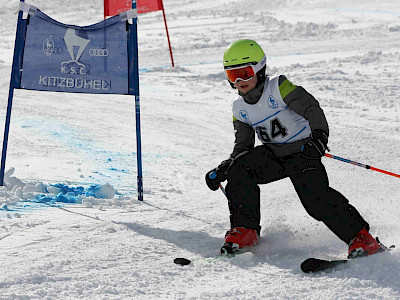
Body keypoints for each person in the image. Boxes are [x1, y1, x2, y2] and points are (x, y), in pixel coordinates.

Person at [206, 39, 383, 257]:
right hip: (273, 155)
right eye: (233, 75)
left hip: (303, 153)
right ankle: (246, 229)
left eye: (245, 72)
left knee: (315, 200)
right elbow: (243, 145)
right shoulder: (239, 107)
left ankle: (361, 237)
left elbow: (311, 108)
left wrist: (319, 136)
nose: (240, 80)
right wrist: (226, 166)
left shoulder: (278, 87)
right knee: (240, 168)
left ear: (260, 69)